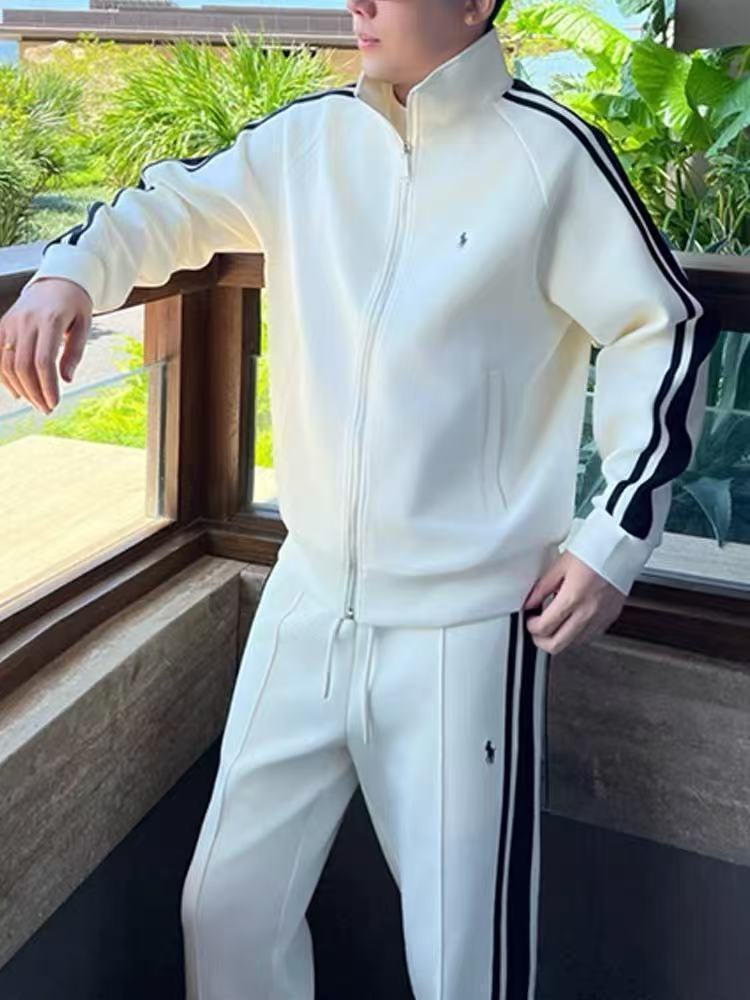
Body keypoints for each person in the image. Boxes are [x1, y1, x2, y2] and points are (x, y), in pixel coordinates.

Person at [0, 0, 720, 995]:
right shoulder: (308, 140)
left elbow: (662, 328)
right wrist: (66, 274)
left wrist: (614, 537)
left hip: (466, 627)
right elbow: (170, 205)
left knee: (463, 965)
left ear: (473, 4)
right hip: (304, 601)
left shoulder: (551, 155)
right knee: (226, 909)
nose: (359, 3)